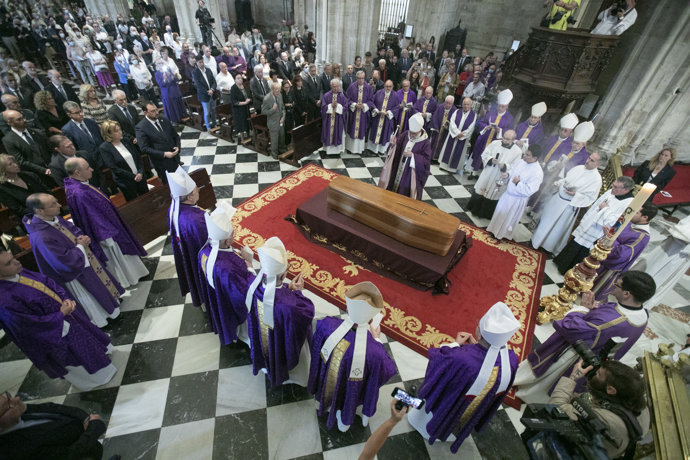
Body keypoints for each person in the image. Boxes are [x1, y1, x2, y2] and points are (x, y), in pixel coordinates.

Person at [515, 270, 655, 401]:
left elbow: (568, 326)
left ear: (627, 294)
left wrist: (583, 308)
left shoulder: (610, 321)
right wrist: (597, 309)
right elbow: (608, 319)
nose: (614, 287)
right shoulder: (642, 316)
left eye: (617, 285)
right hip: (597, 359)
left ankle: (527, 391)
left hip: (574, 356)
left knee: (547, 377)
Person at [408, 302, 520, 453]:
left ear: (479, 333)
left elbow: (437, 360)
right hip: (467, 413)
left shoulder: (461, 358)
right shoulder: (512, 361)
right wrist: (474, 349)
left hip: (444, 405)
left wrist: (455, 344)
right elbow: (485, 369)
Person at [0, 249, 116, 394]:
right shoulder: (4, 300)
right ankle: (95, 380)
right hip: (53, 332)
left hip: (66, 317)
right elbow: (26, 326)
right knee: (77, 357)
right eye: (8, 263)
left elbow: (48, 282)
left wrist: (64, 298)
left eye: (13, 257)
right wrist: (60, 315)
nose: (17, 262)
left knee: (89, 343)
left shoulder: (20, 273)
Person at [23, 193, 123, 327]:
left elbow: (72, 230)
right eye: (53, 204)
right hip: (75, 275)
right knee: (91, 297)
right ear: (40, 211)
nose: (59, 205)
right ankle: (103, 320)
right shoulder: (41, 236)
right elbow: (63, 262)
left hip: (84, 261)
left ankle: (112, 306)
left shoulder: (53, 218)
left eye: (56, 201)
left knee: (99, 286)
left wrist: (81, 238)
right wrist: (80, 246)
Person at [308, 281, 396, 432]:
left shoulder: (326, 324)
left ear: (348, 308)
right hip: (351, 390)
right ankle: (344, 423)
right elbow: (388, 369)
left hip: (327, 382)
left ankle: (324, 403)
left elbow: (316, 348)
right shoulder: (375, 352)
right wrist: (376, 339)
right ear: (370, 319)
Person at [64, 157, 148, 288]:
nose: (91, 169)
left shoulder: (80, 184)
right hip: (106, 233)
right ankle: (130, 278)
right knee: (119, 256)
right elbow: (92, 216)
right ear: (77, 172)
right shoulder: (80, 193)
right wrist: (106, 236)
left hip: (109, 225)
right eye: (87, 168)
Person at [245, 236, 314, 387]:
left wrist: (289, 289)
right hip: (281, 342)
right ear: (284, 275)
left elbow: (272, 296)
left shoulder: (252, 285)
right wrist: (297, 292)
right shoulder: (289, 305)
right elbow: (307, 313)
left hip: (262, 337)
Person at [549, 359, 648, 459]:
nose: (594, 373)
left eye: (598, 374)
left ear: (610, 390)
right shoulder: (636, 401)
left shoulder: (605, 419)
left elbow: (555, 408)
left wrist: (573, 377)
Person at [199, 201, 255, 345]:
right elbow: (242, 296)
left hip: (218, 297)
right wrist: (249, 264)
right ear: (227, 241)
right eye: (232, 234)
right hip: (232, 308)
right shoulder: (227, 268)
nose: (234, 235)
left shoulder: (204, 252)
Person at [554, 176, 635, 274]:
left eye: (616, 187)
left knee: (586, 250)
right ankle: (562, 264)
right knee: (576, 243)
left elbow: (614, 221)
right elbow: (596, 206)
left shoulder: (629, 203)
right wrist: (585, 220)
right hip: (591, 223)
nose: (612, 188)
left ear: (625, 190)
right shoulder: (610, 192)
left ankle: (574, 272)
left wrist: (605, 209)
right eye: (613, 185)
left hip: (600, 231)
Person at [0, 391, 109, 459]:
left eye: (7, 397)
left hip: (89, 442)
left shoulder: (19, 409)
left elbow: (53, 407)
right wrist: (93, 429)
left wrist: (85, 419)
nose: (17, 399)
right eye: (8, 405)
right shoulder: (15, 451)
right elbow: (69, 455)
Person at [532, 152, 603, 254]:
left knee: (556, 228)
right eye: (589, 158)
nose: (587, 161)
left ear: (598, 164)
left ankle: (547, 247)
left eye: (592, 160)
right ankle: (535, 240)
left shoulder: (596, 179)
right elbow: (566, 179)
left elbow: (590, 198)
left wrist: (576, 195)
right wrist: (558, 183)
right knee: (545, 220)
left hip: (568, 206)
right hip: (557, 199)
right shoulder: (579, 168)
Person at [592, 203, 656, 301]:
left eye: (636, 212)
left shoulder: (642, 236)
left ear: (644, 217)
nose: (632, 213)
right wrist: (609, 236)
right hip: (600, 258)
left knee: (591, 295)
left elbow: (621, 255)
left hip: (608, 269)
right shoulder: (630, 222)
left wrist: (611, 238)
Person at [167, 166, 208, 308]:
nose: (199, 191)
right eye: (197, 189)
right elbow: (208, 242)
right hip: (199, 257)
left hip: (188, 252)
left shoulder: (174, 207)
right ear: (190, 197)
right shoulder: (195, 220)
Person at [632, 214, 690, 308]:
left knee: (661, 276)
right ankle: (630, 284)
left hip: (682, 255)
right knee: (651, 265)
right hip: (671, 243)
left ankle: (642, 299)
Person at [486, 146, 543, 240]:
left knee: (508, 218)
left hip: (517, 199)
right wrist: (508, 174)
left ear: (535, 158)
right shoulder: (521, 162)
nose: (524, 156)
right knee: (500, 213)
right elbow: (513, 170)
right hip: (508, 194)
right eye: (525, 153)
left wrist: (518, 183)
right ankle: (493, 229)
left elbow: (530, 190)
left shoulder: (537, 172)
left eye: (527, 155)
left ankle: (501, 235)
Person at [466, 130, 523, 219]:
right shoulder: (495, 143)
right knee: (481, 189)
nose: (504, 140)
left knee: (493, 193)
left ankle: (485, 214)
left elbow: (515, 166)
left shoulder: (517, 151)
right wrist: (490, 159)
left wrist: (505, 166)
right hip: (489, 171)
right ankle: (474, 209)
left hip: (499, 176)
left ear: (513, 140)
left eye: (507, 139)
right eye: (504, 137)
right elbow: (485, 153)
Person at [379, 113, 431, 200]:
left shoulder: (425, 142)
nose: (411, 135)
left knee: (404, 191)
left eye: (414, 133)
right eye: (411, 132)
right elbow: (396, 147)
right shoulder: (406, 134)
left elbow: (426, 161)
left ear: (420, 130)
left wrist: (413, 156)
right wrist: (393, 144)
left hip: (409, 174)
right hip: (398, 168)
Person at [99, 120, 148, 201]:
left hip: (140, 177)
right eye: (116, 131)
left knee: (147, 199)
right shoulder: (105, 148)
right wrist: (134, 176)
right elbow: (114, 167)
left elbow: (138, 158)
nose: (120, 132)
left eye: (120, 129)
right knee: (135, 204)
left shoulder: (126, 141)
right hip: (126, 182)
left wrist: (140, 172)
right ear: (108, 134)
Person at [1, 109, 53, 183]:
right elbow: (21, 161)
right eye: (19, 119)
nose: (25, 120)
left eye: (23, 117)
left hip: (54, 170)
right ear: (10, 123)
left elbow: (50, 150)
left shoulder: (38, 132)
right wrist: (44, 170)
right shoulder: (8, 140)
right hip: (36, 176)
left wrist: (53, 166)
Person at [470, 89, 514, 173]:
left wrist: (500, 130)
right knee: (480, 155)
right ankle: (474, 173)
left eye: (503, 106)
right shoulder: (492, 112)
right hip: (485, 139)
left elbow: (510, 132)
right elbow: (482, 122)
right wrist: (486, 127)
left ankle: (483, 174)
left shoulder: (510, 118)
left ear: (507, 106)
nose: (500, 108)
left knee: (491, 158)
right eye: (499, 106)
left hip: (497, 142)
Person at [136, 102, 182, 183]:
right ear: (145, 112)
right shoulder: (141, 127)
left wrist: (178, 147)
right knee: (169, 185)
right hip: (162, 163)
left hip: (175, 159)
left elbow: (175, 136)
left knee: (181, 181)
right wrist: (164, 154)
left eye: (156, 110)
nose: (156, 113)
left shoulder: (163, 119)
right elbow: (144, 148)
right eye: (152, 111)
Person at [0, 154, 50, 224]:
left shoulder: (30, 175)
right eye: (10, 164)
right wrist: (41, 212)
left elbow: (47, 191)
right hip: (33, 221)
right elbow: (18, 209)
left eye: (14, 162)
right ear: (3, 169)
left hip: (51, 211)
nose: (15, 165)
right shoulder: (3, 188)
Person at [437, 97, 476, 173]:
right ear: (462, 104)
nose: (466, 106)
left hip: (462, 138)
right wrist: (457, 133)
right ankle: (443, 166)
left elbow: (471, 127)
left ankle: (453, 169)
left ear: (471, 105)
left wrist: (463, 134)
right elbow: (452, 123)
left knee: (458, 152)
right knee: (447, 150)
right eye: (464, 104)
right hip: (453, 135)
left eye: (468, 104)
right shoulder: (457, 111)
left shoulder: (473, 115)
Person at [367, 80, 400, 155]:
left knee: (385, 133)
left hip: (387, 120)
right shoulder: (378, 93)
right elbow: (372, 102)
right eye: (386, 86)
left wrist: (388, 113)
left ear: (392, 87)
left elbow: (397, 108)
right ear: (384, 86)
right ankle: (373, 149)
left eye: (390, 86)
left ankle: (382, 150)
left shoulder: (395, 96)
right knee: (375, 132)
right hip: (377, 118)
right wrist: (376, 110)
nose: (388, 88)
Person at [344, 71, 373, 155]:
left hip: (363, 114)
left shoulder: (368, 88)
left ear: (364, 78)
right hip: (353, 114)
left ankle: (359, 149)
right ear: (356, 78)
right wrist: (354, 104)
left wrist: (364, 105)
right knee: (352, 129)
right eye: (359, 78)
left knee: (361, 130)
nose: (361, 80)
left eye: (362, 78)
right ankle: (350, 148)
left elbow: (371, 100)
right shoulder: (352, 87)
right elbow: (347, 99)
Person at [320, 78, 348, 156]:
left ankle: (337, 151)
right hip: (329, 121)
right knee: (329, 133)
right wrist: (330, 106)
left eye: (337, 86)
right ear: (331, 87)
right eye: (334, 86)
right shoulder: (326, 95)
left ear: (339, 87)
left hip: (338, 121)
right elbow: (323, 108)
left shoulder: (342, 96)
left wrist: (338, 106)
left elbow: (346, 108)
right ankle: (329, 151)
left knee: (338, 133)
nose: (335, 88)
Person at [261, 81, 287, 159]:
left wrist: (283, 117)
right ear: (272, 89)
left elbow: (283, 108)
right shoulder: (267, 98)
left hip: (281, 121)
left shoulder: (280, 95)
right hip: (273, 123)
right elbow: (263, 112)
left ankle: (282, 150)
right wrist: (272, 109)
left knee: (282, 137)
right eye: (277, 90)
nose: (278, 92)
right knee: (274, 139)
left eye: (279, 90)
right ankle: (274, 153)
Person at [193, 58, 218, 131]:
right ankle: (208, 126)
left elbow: (214, 82)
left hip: (212, 93)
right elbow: (198, 85)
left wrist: (212, 89)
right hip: (204, 95)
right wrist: (207, 91)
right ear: (197, 63)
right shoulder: (195, 72)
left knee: (213, 110)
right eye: (199, 62)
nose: (201, 63)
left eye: (202, 62)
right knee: (207, 112)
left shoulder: (208, 70)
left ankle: (214, 124)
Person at [230, 75, 252, 140]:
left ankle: (248, 135)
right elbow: (234, 101)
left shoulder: (245, 86)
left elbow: (249, 94)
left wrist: (249, 99)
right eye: (238, 78)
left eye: (241, 78)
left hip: (246, 108)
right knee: (241, 123)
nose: (240, 79)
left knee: (247, 122)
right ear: (235, 80)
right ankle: (242, 138)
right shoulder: (233, 88)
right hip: (238, 109)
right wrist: (244, 102)